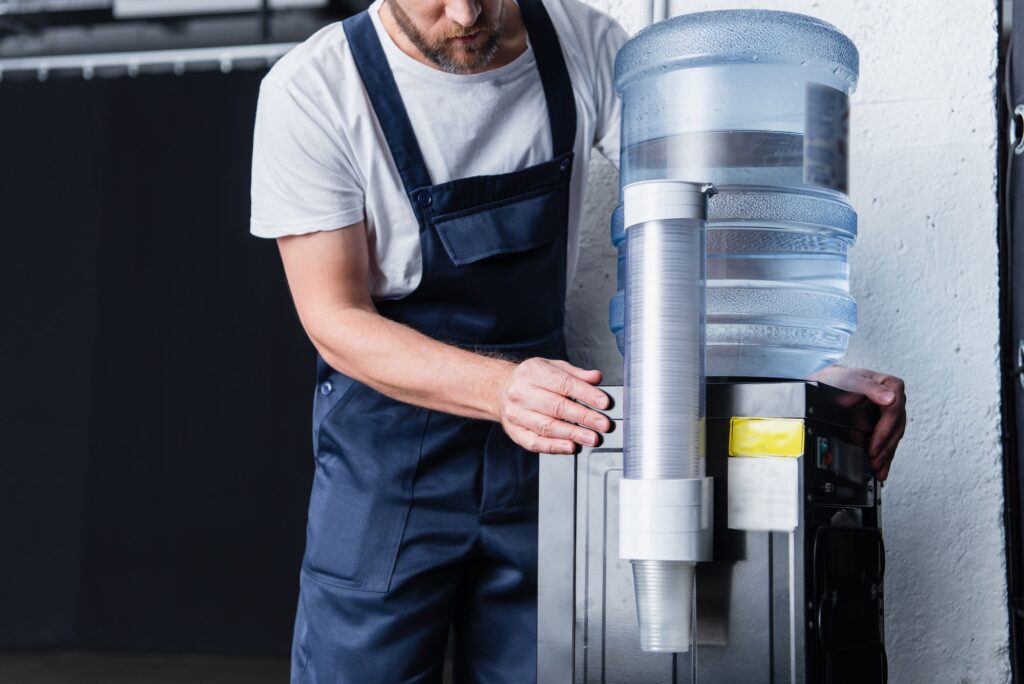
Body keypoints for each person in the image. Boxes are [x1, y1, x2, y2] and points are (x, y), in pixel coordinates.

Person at [249, 0, 907, 681]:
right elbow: (334, 320)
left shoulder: (583, 46)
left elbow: (696, 220)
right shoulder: (315, 90)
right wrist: (502, 387)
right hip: (388, 463)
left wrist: (799, 372)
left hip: (547, 457)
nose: (470, 13)